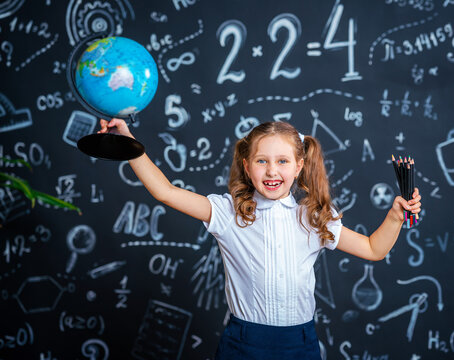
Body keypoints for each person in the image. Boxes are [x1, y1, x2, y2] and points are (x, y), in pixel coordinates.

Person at [98, 119, 422, 360]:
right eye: (261, 161)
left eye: (282, 161)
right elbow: (165, 192)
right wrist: (127, 142)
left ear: (299, 166)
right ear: (246, 165)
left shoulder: (313, 217)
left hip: (301, 344)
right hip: (244, 343)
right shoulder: (227, 212)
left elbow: (373, 249)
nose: (271, 171)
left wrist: (395, 216)